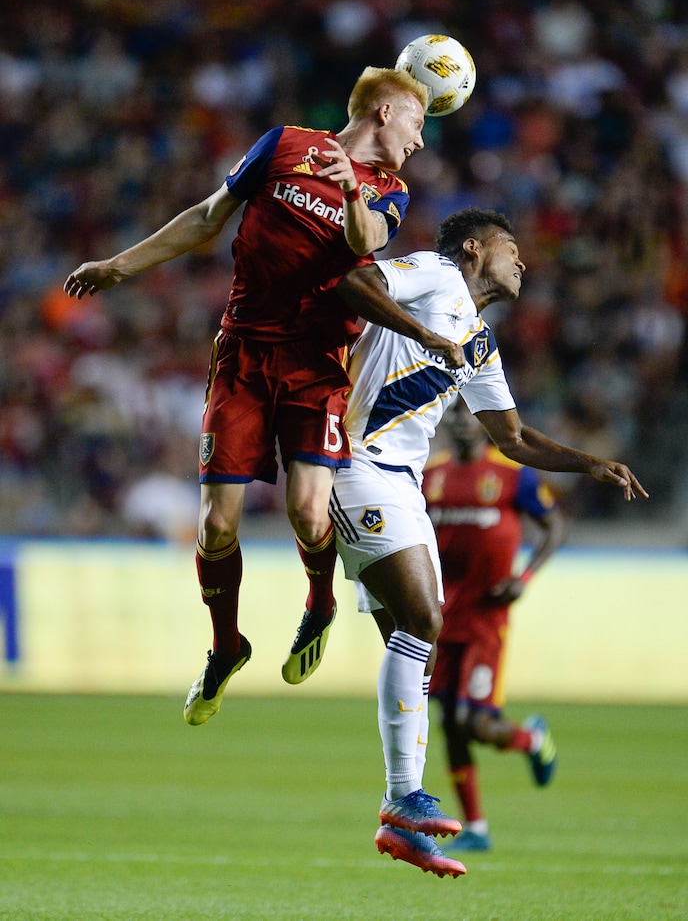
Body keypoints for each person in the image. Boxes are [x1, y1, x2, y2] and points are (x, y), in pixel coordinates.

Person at [63, 67, 464, 725]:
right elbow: (207, 217)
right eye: (419, 125)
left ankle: (321, 601)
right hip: (244, 355)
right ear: (386, 113)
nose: (421, 142)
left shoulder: (389, 192)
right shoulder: (282, 146)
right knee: (217, 523)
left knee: (310, 514)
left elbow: (367, 247)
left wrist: (349, 194)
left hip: (316, 364)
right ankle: (226, 646)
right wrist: (118, 266)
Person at [312, 207, 647, 877]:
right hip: (356, 462)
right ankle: (404, 799)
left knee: (415, 647)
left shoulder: (483, 342)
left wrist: (589, 462)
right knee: (424, 624)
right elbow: (353, 282)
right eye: (511, 248)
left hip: (403, 483)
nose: (523, 262)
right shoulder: (434, 274)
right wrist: (426, 338)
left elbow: (513, 439)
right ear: (474, 249)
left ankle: (400, 814)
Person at [422, 399, 568, 853]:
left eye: (469, 414)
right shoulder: (431, 477)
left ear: (485, 424)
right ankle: (477, 829)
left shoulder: (512, 475)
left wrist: (523, 579)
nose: (461, 422)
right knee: (449, 721)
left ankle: (531, 739)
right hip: (442, 618)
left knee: (472, 721)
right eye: (454, 414)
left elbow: (554, 527)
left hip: (487, 618)